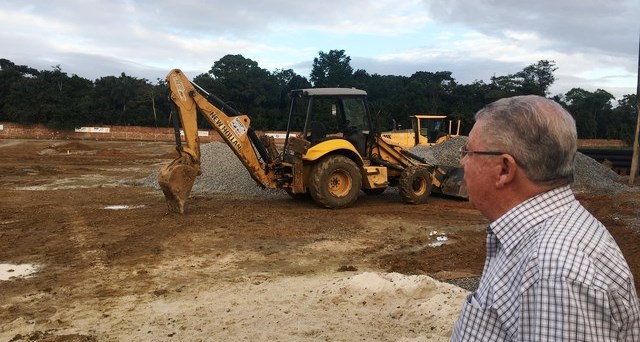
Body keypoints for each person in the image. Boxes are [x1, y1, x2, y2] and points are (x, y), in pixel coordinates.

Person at [451, 95, 640, 341]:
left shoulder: (552, 269)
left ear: (505, 169)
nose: (461, 161)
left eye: (468, 151)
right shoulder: (542, 243)